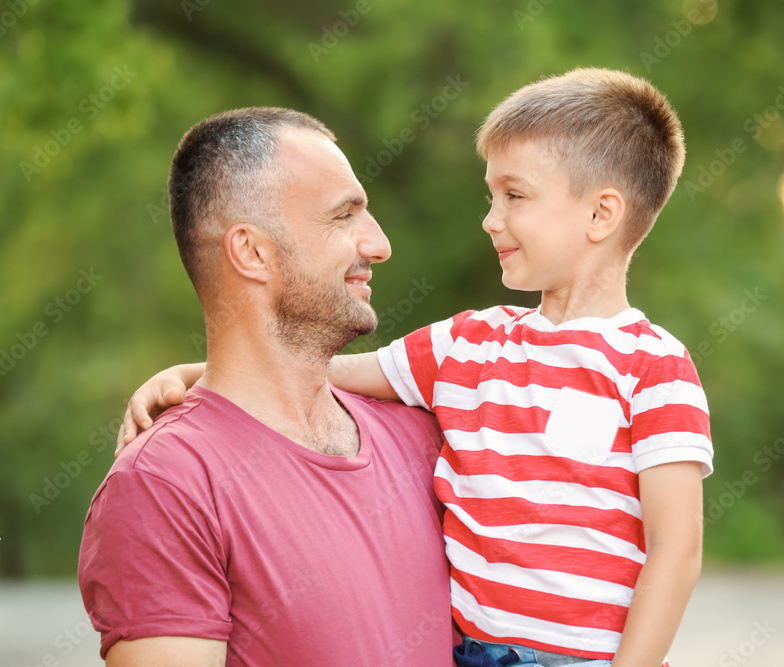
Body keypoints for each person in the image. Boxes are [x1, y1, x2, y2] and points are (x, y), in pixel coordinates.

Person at [121, 68, 713, 667]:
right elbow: (326, 370)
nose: (490, 218)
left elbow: (676, 548)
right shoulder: (468, 344)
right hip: (473, 655)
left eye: (515, 196)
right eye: (491, 196)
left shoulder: (654, 367)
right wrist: (194, 373)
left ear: (600, 214)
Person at [78, 107, 458, 666]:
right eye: (343, 216)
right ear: (252, 252)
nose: (378, 245)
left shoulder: (429, 435)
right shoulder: (164, 485)